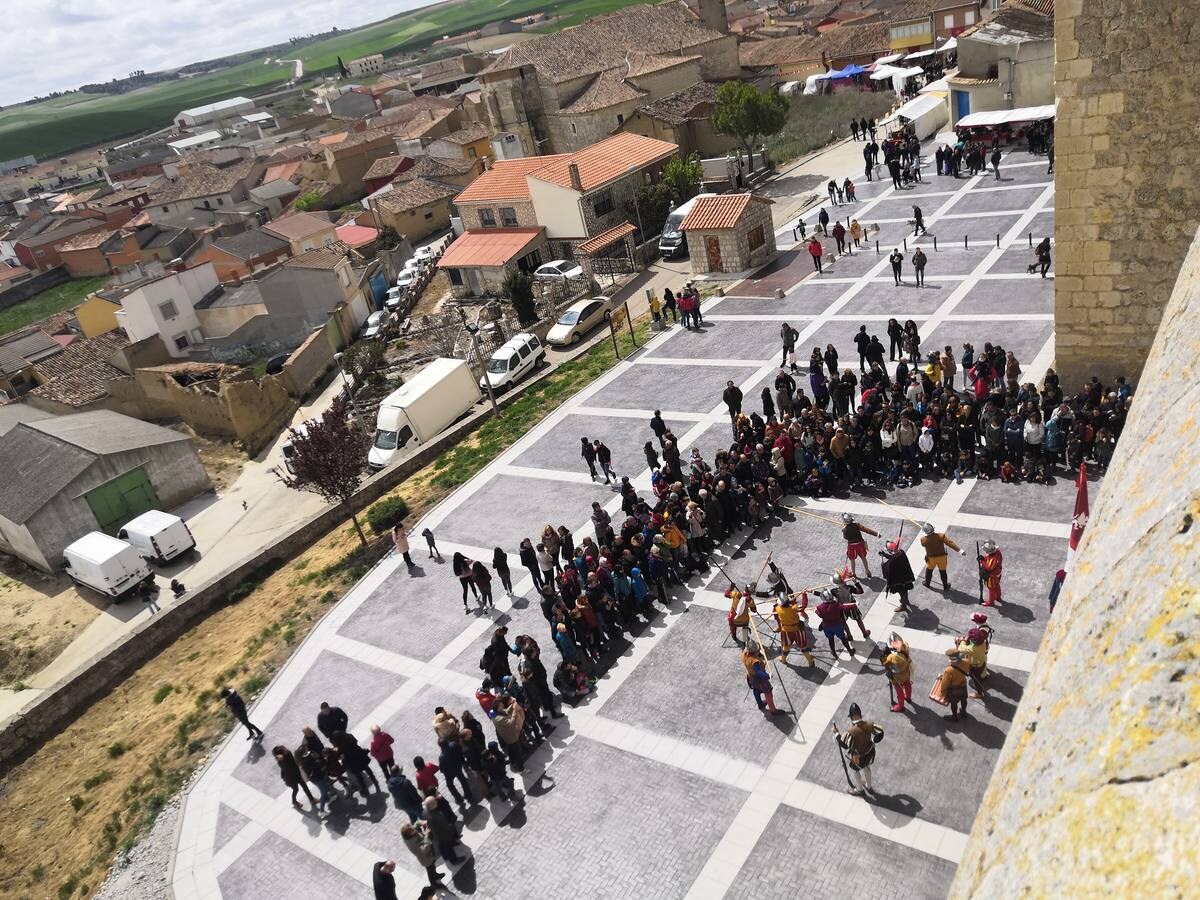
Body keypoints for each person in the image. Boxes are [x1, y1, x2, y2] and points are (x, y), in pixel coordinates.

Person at [834, 703, 883, 797]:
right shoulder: (870, 724)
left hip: (857, 756)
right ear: (860, 715)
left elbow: (844, 745)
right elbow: (880, 732)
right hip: (869, 752)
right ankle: (869, 787)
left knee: (855, 770)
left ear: (852, 717)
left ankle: (860, 789)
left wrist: (836, 733)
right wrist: (873, 741)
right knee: (867, 767)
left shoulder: (851, 731)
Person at [920, 523, 965, 590]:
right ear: (933, 529)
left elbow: (923, 545)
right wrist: (960, 550)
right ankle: (945, 586)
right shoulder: (941, 536)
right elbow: (950, 543)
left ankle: (927, 583)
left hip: (931, 559)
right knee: (943, 572)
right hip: (942, 558)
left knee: (929, 571)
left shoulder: (923, 539)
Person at [772, 594, 814, 666]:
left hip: (786, 630)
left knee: (786, 646)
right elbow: (804, 605)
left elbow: (777, 608)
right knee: (803, 646)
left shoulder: (777, 608)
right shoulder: (794, 608)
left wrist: (789, 602)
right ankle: (810, 661)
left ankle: (783, 659)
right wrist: (804, 595)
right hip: (797, 630)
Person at [742, 645, 783, 715]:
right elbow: (758, 672)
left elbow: (752, 656)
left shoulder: (744, 654)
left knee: (756, 691)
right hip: (760, 680)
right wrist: (768, 676)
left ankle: (760, 704)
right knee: (768, 693)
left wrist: (759, 654)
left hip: (751, 677)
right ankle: (773, 711)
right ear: (754, 651)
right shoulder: (755, 662)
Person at [273, 745, 317, 810]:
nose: (285, 748)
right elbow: (286, 767)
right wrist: (281, 759)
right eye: (282, 748)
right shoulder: (282, 761)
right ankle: (294, 802)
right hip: (291, 778)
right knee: (296, 789)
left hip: (296, 774)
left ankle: (312, 799)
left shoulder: (287, 754)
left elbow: (291, 759)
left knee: (304, 786)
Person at [422, 795, 463, 863]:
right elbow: (445, 826)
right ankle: (454, 860)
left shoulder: (425, 812)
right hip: (443, 834)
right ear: (432, 805)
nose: (436, 802)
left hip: (435, 834)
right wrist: (450, 828)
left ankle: (445, 856)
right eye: (435, 802)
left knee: (441, 846)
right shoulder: (437, 815)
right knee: (448, 847)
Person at [879, 540, 916, 612]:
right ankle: (905, 600)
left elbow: (888, 567)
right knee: (904, 591)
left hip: (899, 580)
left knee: (902, 592)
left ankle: (903, 605)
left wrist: (883, 564)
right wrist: (885, 555)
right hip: (905, 577)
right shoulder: (901, 552)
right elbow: (893, 557)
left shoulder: (893, 560)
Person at [881, 634, 914, 713]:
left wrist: (883, 656)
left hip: (897, 678)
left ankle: (900, 706)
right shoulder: (905, 646)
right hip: (907, 672)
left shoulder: (892, 657)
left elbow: (885, 663)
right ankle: (908, 697)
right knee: (907, 684)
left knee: (899, 692)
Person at [841, 513, 879, 579]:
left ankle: (854, 574)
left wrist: (844, 531)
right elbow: (867, 530)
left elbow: (846, 538)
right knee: (863, 557)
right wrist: (876, 534)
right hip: (860, 545)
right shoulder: (857, 525)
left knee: (852, 560)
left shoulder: (845, 529)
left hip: (852, 547)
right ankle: (867, 571)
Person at [939, 647, 971, 721]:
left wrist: (942, 691)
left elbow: (944, 684)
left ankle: (955, 717)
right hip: (963, 686)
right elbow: (966, 655)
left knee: (954, 703)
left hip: (954, 690)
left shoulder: (949, 670)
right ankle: (963, 712)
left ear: (951, 658)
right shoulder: (966, 662)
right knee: (964, 700)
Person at [978, 539, 1003, 606]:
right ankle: (998, 597)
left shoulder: (993, 559)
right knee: (997, 585)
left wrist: (982, 561)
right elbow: (988, 557)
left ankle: (991, 602)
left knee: (991, 588)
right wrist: (984, 558)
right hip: (998, 574)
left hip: (992, 576)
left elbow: (988, 568)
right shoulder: (997, 552)